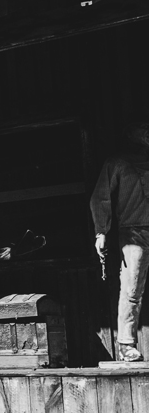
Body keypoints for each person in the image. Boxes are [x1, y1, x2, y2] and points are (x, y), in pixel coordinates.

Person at [91, 121, 149, 363]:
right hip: (133, 232)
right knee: (132, 289)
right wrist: (101, 231)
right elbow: (101, 197)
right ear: (130, 135)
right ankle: (126, 344)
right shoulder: (117, 163)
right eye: (143, 129)